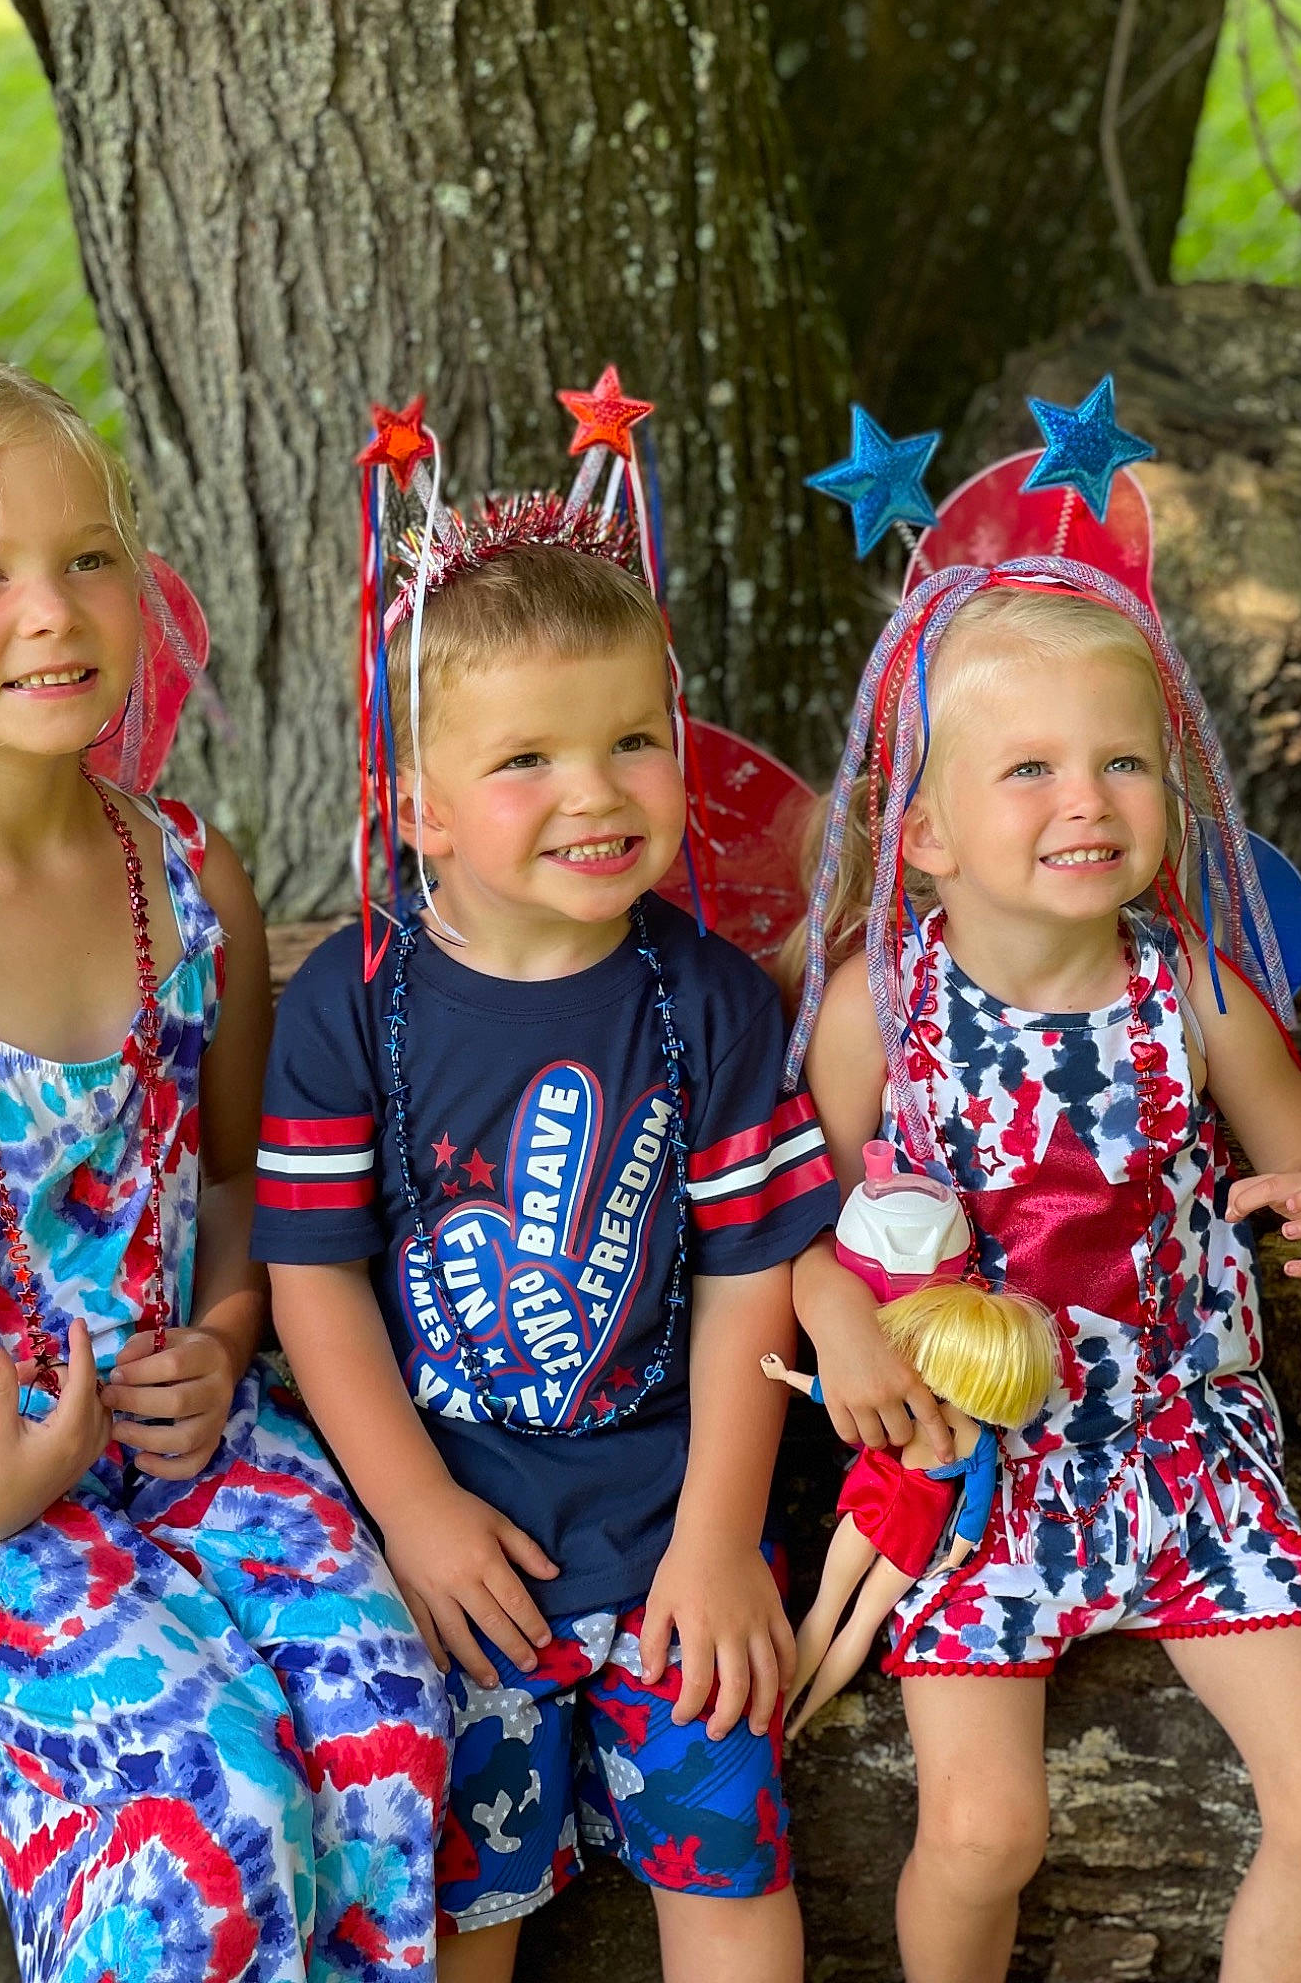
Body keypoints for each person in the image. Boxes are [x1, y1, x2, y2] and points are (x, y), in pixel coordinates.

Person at [0, 354, 448, 1983]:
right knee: (202, 1784)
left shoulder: (186, 875)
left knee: (388, 1702)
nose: (53, 607)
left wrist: (226, 1341)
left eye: (87, 554)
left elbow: (232, 1186)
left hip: (179, 1404)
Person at [255, 472, 839, 1983]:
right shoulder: (350, 1013)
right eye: (529, 757)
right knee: (460, 1902)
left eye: (634, 740)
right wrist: (415, 1514)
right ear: (416, 805)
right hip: (462, 1561)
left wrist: (719, 1538)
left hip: (667, 1543)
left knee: (729, 1871)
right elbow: (311, 1281)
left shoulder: (704, 1000)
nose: (598, 791)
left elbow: (747, 1274)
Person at [787, 563, 1301, 1983]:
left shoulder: (1198, 994)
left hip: (1184, 1445)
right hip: (979, 1467)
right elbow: (785, 1220)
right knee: (984, 1834)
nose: (1087, 799)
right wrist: (839, 1318)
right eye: (1029, 768)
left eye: (1123, 762)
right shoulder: (879, 1010)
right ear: (922, 832)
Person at [761, 1280, 1057, 1738]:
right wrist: (953, 1558)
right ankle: (795, 1721)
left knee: (828, 1609)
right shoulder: (978, 1441)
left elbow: (830, 1391)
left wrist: (786, 1378)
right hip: (916, 1528)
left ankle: (781, 1717)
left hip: (877, 1500)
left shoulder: (912, 1401)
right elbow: (972, 1514)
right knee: (860, 1622)